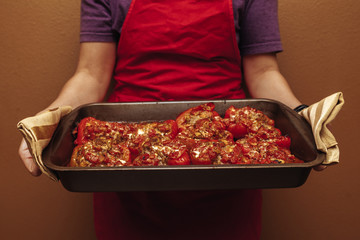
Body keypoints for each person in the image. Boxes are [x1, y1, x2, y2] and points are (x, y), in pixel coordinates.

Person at [18, 0, 326, 239]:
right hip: (125, 164)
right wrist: (43, 125)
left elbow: (263, 73)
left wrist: (305, 119)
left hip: (227, 163)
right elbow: (91, 75)